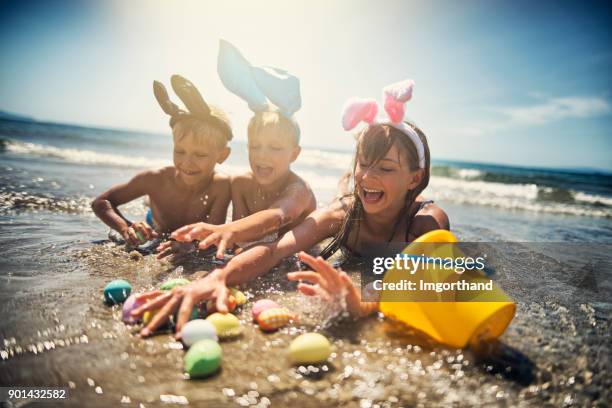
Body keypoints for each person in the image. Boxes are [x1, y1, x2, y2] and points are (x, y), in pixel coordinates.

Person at [132, 79, 450, 338]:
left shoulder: (426, 223)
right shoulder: (341, 213)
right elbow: (274, 250)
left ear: (415, 178)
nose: (367, 176)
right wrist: (220, 277)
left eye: (386, 168)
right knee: (347, 192)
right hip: (348, 213)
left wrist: (367, 304)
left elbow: (424, 288)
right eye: (363, 163)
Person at [170, 41, 316, 259]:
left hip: (297, 260)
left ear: (294, 154)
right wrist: (193, 243)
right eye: (255, 146)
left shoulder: (298, 190)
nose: (262, 155)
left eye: (275, 148)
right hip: (259, 256)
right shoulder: (241, 184)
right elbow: (239, 241)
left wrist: (227, 230)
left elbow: (277, 215)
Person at [91, 75, 232, 255]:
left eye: (200, 154)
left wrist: (190, 246)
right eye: (180, 152)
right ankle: (149, 204)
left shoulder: (220, 186)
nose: (187, 162)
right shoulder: (155, 179)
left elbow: (212, 236)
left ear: (222, 155)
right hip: (157, 223)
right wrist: (126, 228)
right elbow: (101, 202)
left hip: (181, 229)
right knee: (151, 221)